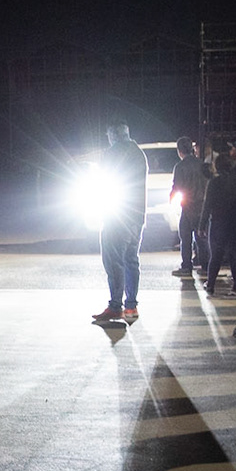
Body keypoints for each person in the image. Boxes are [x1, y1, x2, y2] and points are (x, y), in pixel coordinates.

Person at [91, 121, 148, 325]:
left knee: (114, 262)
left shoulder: (111, 154)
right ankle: (131, 306)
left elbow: (103, 183)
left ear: (112, 135)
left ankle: (115, 306)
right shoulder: (139, 153)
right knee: (132, 260)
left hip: (117, 218)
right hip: (137, 217)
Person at [202, 138, 236, 297]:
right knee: (234, 255)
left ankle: (210, 285)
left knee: (216, 255)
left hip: (218, 223)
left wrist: (201, 225)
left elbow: (207, 205)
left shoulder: (214, 182)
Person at [170, 137, 210, 275]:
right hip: (202, 206)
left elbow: (177, 187)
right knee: (201, 237)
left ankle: (186, 266)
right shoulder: (202, 164)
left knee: (185, 238)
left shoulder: (180, 167)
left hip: (187, 206)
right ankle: (205, 266)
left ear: (179, 151)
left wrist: (172, 199)